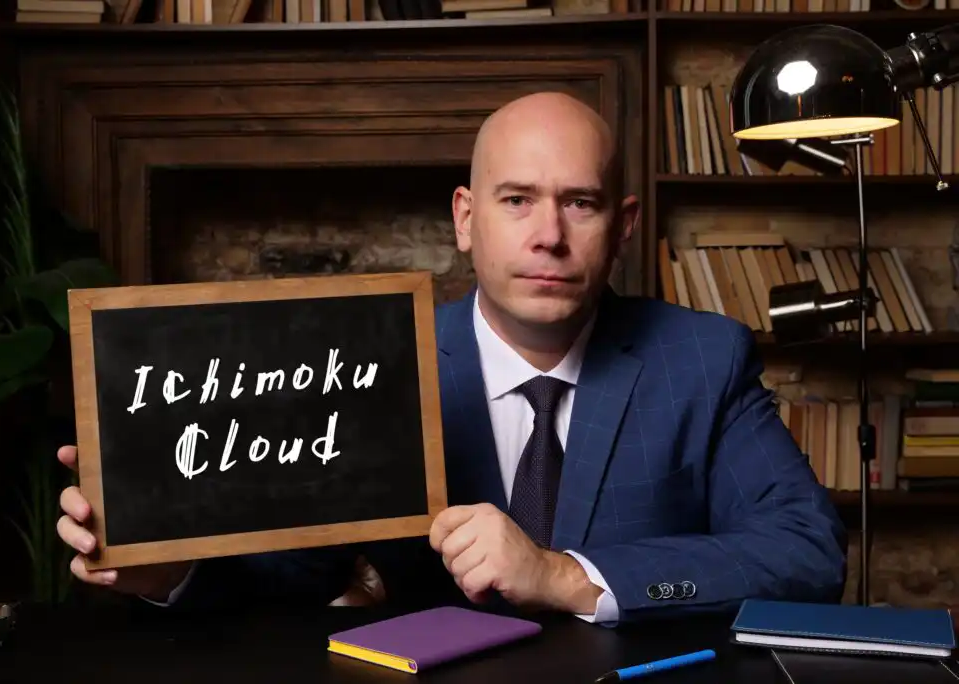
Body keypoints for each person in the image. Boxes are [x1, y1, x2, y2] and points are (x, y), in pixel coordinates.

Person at [56, 91, 847, 624]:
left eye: (580, 202)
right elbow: (293, 579)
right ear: (466, 219)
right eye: (516, 200)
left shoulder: (701, 360)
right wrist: (168, 572)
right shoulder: (371, 362)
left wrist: (565, 576)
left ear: (624, 225)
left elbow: (806, 553)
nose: (549, 235)